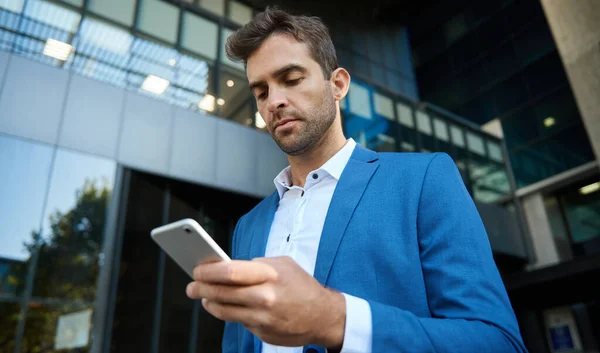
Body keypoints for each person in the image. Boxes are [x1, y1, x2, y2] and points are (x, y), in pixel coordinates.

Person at [185, 6, 528, 353]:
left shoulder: (423, 180)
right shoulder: (249, 225)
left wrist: (335, 320)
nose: (274, 101)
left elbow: (498, 342)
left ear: (338, 84)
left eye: (291, 79)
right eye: (261, 92)